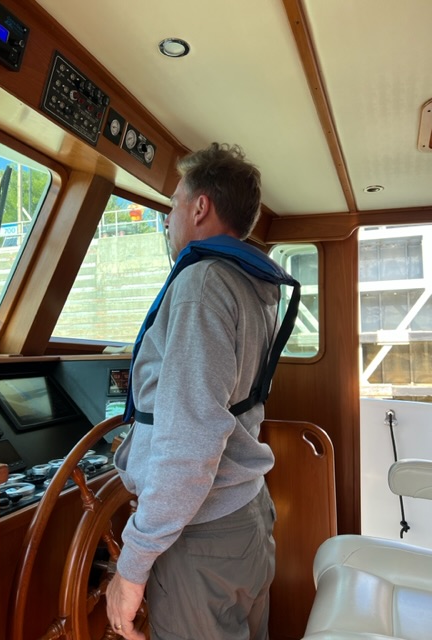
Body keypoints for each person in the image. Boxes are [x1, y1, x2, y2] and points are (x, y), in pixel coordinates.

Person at [106, 142, 280, 640]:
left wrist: (132, 567)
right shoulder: (252, 283)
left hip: (202, 534)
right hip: (246, 515)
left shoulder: (203, 283)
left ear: (200, 207)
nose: (167, 219)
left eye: (173, 204)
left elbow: (189, 443)